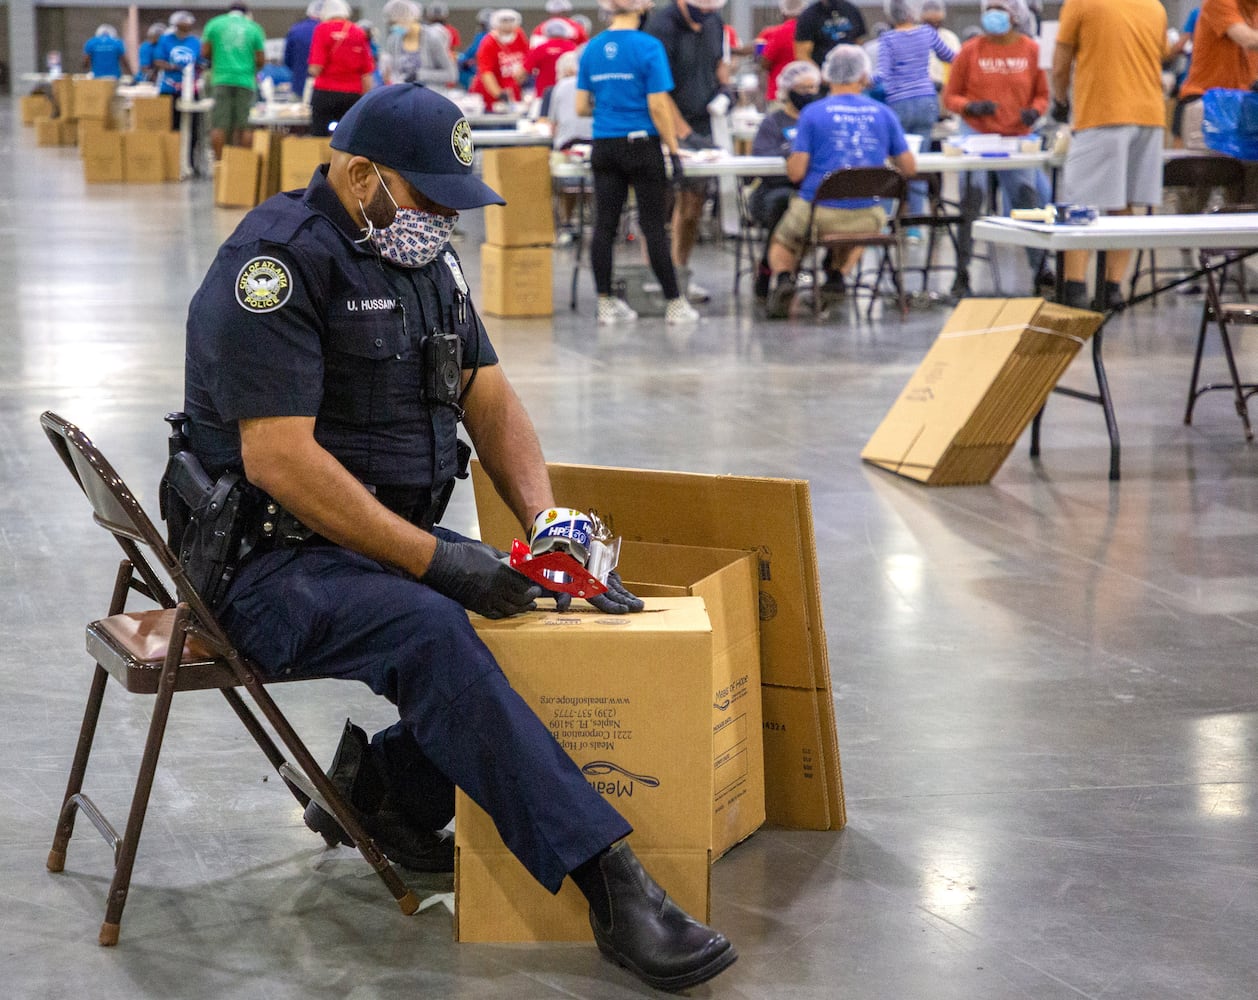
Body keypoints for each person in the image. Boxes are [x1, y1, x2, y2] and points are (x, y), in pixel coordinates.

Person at [180, 81, 735, 994]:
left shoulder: (423, 264)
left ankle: (382, 795)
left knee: (530, 596)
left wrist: (545, 525)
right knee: (433, 629)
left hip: (365, 540)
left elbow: (488, 395)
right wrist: (439, 559)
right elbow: (278, 460)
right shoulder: (274, 268)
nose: (442, 222)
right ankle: (614, 886)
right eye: (429, 200)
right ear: (361, 176)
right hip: (264, 562)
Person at [764, 45, 915, 319]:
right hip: (868, 214)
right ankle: (836, 275)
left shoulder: (812, 114)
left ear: (825, 76)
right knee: (859, 230)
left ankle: (786, 279)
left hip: (819, 213)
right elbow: (909, 168)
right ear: (865, 76)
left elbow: (796, 173)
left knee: (785, 239)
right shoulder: (884, 114)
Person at [577, 0, 698, 326]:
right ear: (641, 10)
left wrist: (611, 105)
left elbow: (580, 106)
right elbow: (658, 105)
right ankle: (675, 303)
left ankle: (605, 304)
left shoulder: (591, 48)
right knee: (653, 227)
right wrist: (673, 149)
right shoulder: (648, 46)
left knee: (604, 226)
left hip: (604, 145)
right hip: (642, 146)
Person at [1051, 0, 1167, 310]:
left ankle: (1074, 289)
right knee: (1124, 204)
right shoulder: (1154, 6)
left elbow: (1061, 63)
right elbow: (1161, 55)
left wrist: (1059, 100)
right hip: (1150, 116)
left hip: (1103, 112)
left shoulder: (1081, 3)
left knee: (1078, 206)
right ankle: (1112, 289)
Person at [943, 0, 1050, 297]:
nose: (993, 13)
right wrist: (970, 106)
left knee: (1027, 198)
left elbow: (1043, 94)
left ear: (1015, 15)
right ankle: (961, 272)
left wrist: (1035, 111)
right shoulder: (970, 50)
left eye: (999, 7)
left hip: (1016, 135)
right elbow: (950, 97)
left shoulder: (1031, 50)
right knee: (971, 198)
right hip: (976, 133)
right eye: (989, 7)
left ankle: (1041, 268)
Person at [645, 0, 729, 304]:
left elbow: (719, 64)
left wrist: (725, 91)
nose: (704, 15)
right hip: (663, 123)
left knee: (693, 205)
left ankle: (680, 274)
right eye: (701, 8)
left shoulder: (713, 21)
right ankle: (656, 278)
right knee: (657, 206)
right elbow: (656, 89)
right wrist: (681, 134)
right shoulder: (660, 26)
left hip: (700, 122)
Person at [876, 0, 955, 240]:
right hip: (926, 102)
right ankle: (914, 226)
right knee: (916, 165)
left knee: (892, 165)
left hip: (898, 105)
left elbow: (882, 75)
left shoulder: (887, 40)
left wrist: (860, 79)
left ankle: (885, 222)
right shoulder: (927, 33)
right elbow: (952, 57)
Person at [749, 60, 823, 300]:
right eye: (803, 89)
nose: (810, 94)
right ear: (788, 91)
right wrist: (793, 157)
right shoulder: (773, 123)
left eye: (814, 88)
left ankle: (833, 274)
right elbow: (761, 159)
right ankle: (771, 270)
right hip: (774, 189)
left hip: (812, 190)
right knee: (783, 204)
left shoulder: (820, 120)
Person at [201, 2, 266, 161]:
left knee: (219, 125)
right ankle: (243, 164)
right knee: (245, 126)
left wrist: (219, 61)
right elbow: (260, 59)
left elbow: (205, 52)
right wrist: (250, 68)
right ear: (246, 13)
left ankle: (219, 165)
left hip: (221, 80)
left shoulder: (214, 24)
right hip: (245, 81)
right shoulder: (254, 28)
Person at [539, 49, 593, 239]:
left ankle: (566, 223)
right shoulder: (595, 83)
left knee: (566, 181)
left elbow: (552, 124)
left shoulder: (560, 87)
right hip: (596, 145)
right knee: (591, 181)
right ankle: (593, 219)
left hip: (567, 147)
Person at [307, 0, 375, 135]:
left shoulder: (322, 29)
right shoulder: (358, 32)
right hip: (352, 95)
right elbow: (366, 73)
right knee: (348, 137)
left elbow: (316, 68)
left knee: (319, 136)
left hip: (325, 92)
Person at [154, 10, 202, 160]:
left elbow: (200, 62)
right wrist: (174, 67)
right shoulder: (165, 40)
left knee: (193, 127)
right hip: (169, 88)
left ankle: (190, 159)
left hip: (189, 89)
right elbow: (158, 61)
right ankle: (172, 160)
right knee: (172, 125)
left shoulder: (195, 42)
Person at [380, 0, 457, 86]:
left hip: (430, 94)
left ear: (408, 18)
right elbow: (393, 72)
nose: (393, 27)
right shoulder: (394, 40)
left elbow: (451, 74)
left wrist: (419, 75)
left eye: (395, 23)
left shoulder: (432, 38)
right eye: (391, 24)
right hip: (404, 95)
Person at [472, 9, 529, 108]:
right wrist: (499, 94)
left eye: (511, 21)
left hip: (512, 90)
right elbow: (486, 73)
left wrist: (522, 75)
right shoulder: (489, 42)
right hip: (491, 93)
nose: (508, 25)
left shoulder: (519, 35)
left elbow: (527, 58)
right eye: (504, 21)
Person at [758, 0, 807, 102]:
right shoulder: (812, 32)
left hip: (780, 93)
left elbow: (765, 63)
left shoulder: (779, 33)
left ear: (783, 12)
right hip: (806, 93)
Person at [794, 0, 866, 68]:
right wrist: (820, 75)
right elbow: (802, 54)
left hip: (851, 69)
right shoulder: (809, 16)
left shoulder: (851, 10)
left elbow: (860, 42)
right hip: (822, 70)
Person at [525, 18, 577, 96]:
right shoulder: (572, 48)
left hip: (543, 94)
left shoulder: (540, 49)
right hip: (566, 94)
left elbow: (524, 71)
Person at [284, 1, 322, 95]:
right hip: (323, 89)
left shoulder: (295, 30)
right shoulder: (329, 31)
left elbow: (287, 59)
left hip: (299, 85)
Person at [920, 0, 960, 88]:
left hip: (945, 86)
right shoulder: (915, 36)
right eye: (929, 20)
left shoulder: (950, 37)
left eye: (935, 19)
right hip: (922, 89)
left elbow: (957, 63)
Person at [458, 8, 494, 89]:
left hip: (481, 73)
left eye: (482, 24)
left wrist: (464, 61)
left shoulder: (485, 37)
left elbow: (470, 54)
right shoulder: (482, 36)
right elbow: (468, 54)